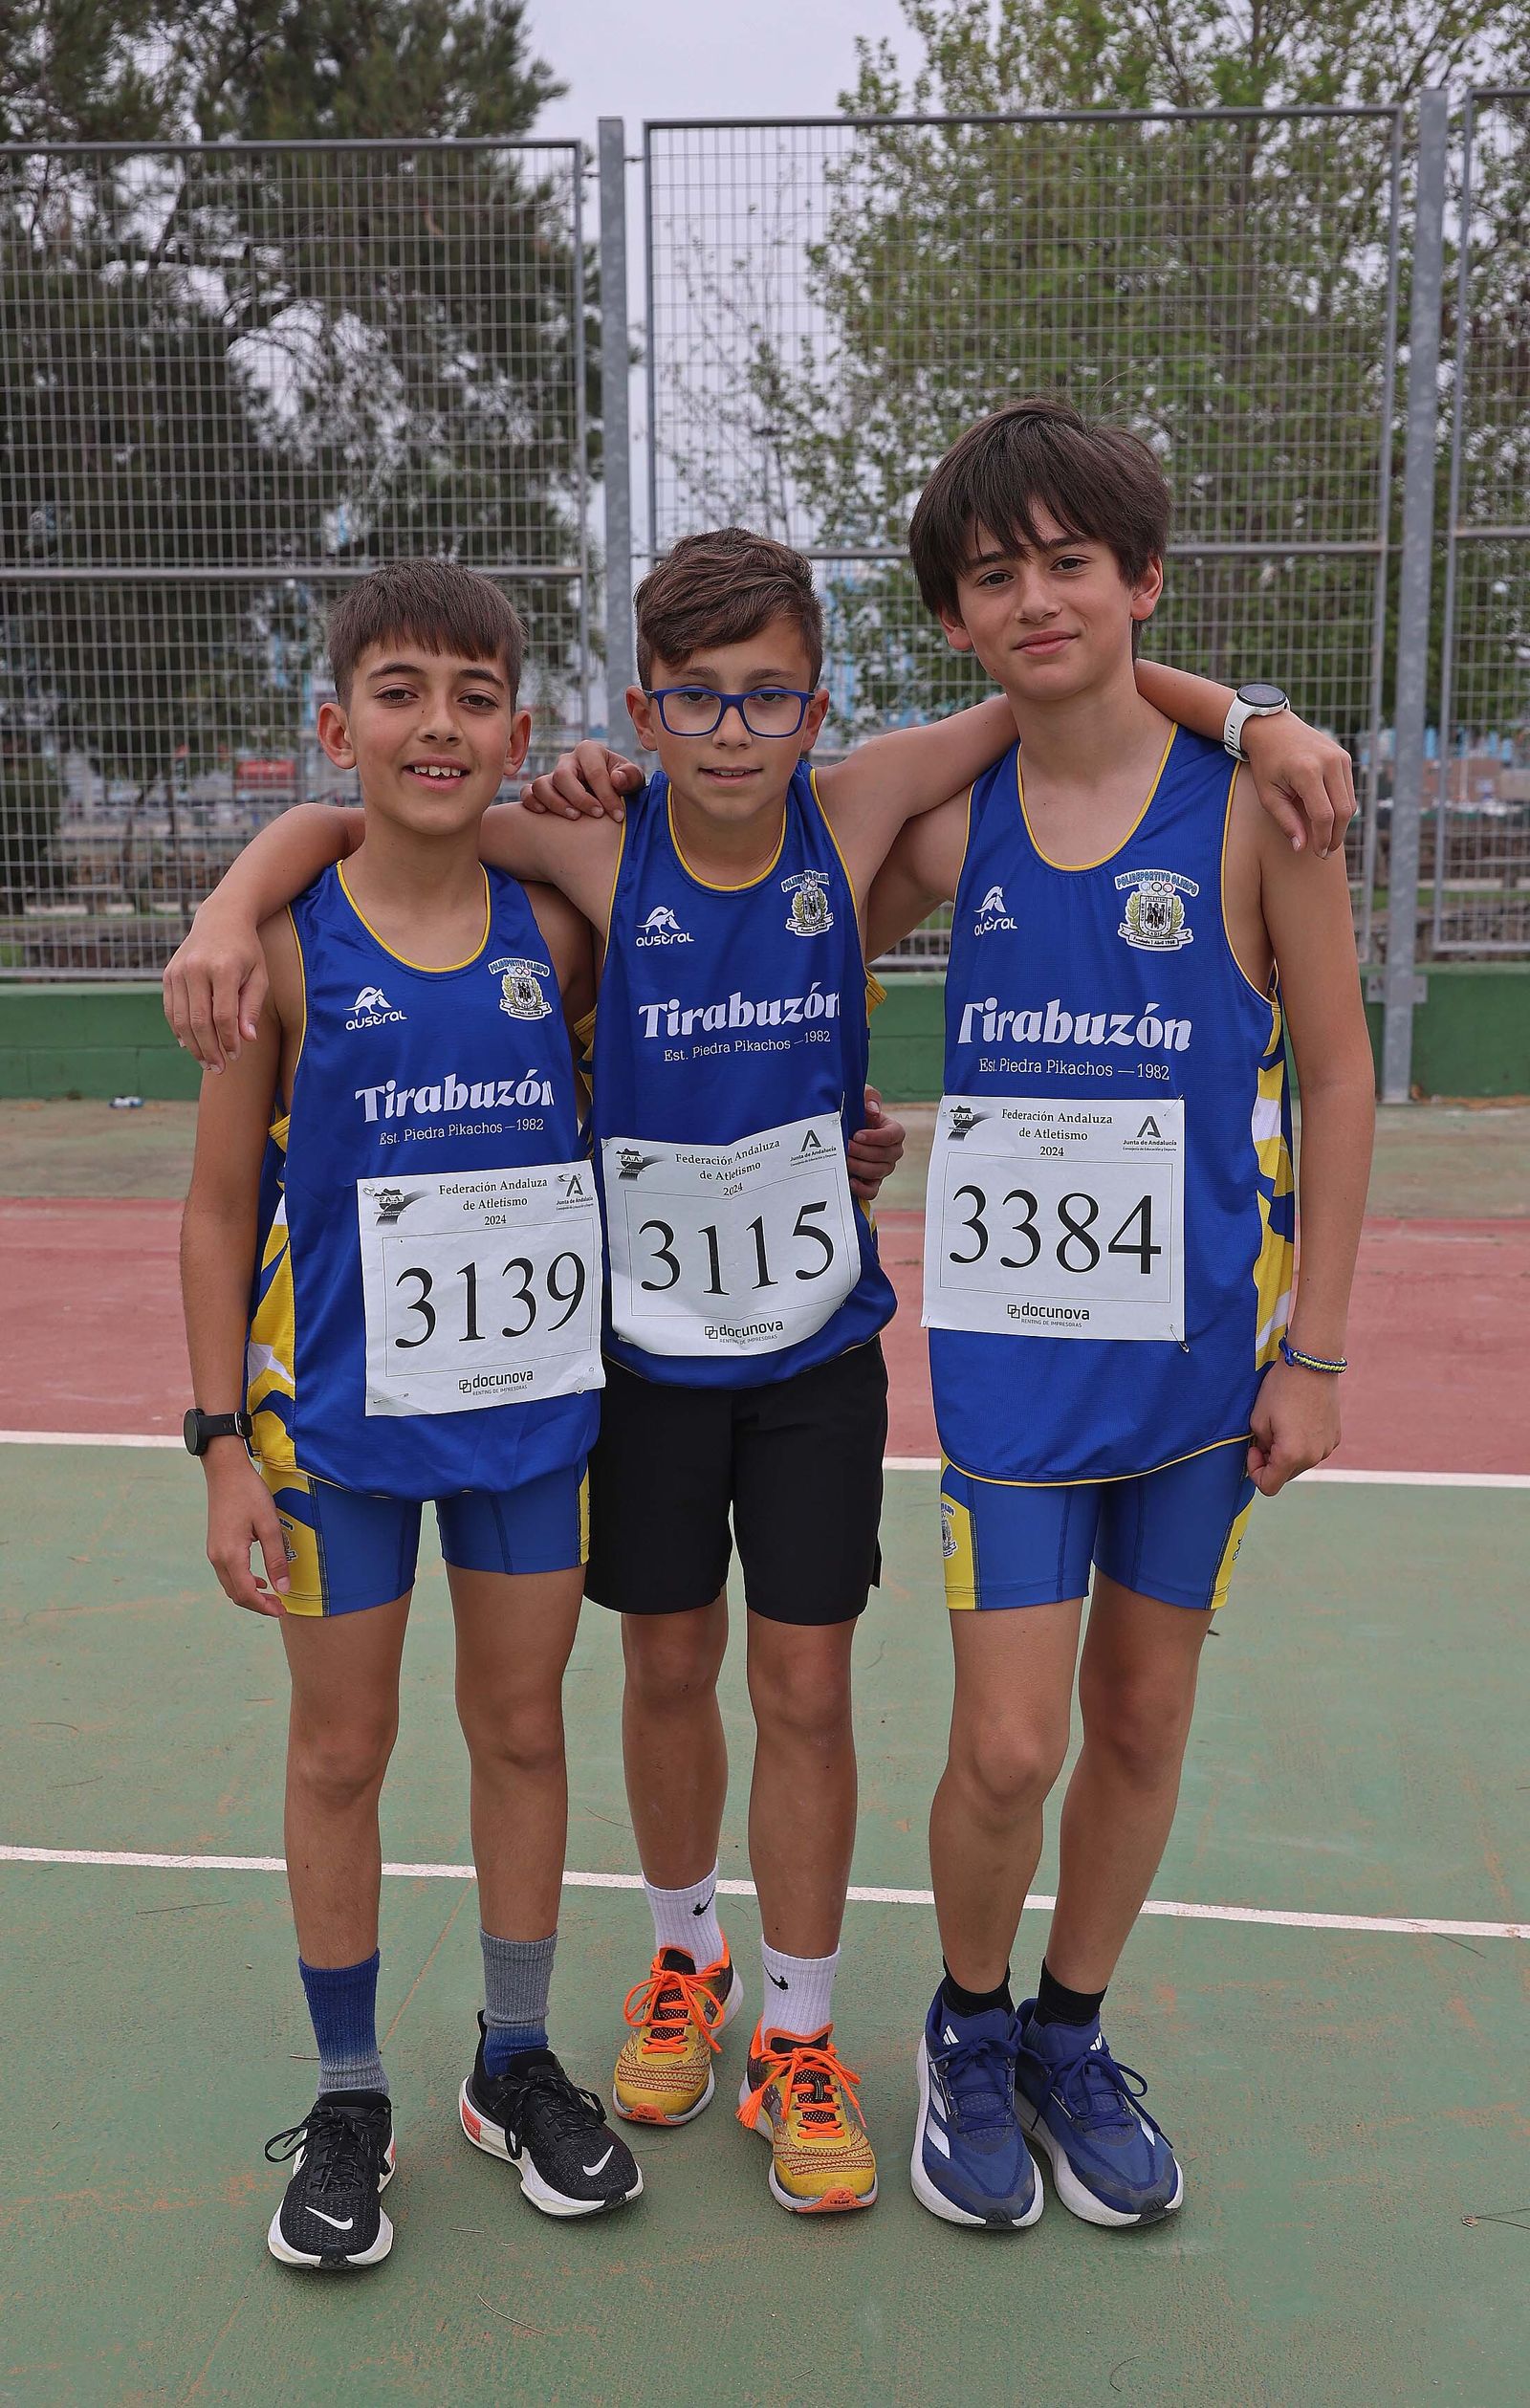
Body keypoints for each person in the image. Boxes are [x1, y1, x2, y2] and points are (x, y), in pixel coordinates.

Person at [165, 524, 1355, 2219]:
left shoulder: (855, 810)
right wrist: (228, 894)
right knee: (664, 1672)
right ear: (645, 710)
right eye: (697, 701)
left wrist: (1252, 721)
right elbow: (362, 825)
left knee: (803, 1687)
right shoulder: (596, 851)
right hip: (635, 1361)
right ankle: (680, 1960)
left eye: (768, 697)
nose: (734, 731)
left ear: (817, 705)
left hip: (814, 1353)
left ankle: (801, 2028)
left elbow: (1056, 687)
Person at [858, 398, 1375, 2233]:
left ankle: (1072, 2031)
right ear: (957, 620)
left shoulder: (1255, 810)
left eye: (1073, 562)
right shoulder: (957, 822)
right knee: (1008, 1743)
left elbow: (1338, 1072)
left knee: (1142, 1719)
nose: (1038, 596)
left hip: (1196, 1373)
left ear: (1143, 578)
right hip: (1008, 1376)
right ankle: (968, 2022)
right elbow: (798, 915)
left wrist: (1315, 1352)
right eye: (996, 576)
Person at [179, 559, 643, 2271]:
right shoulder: (280, 951)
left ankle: (512, 2061)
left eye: (469, 693)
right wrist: (217, 1437)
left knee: (524, 1733)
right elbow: (223, 1206)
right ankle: (352, 2091)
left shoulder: (567, 927)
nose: (434, 723)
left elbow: (704, 885)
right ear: (337, 723)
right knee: (340, 1750)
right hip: (338, 1438)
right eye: (398, 689)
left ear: (518, 730)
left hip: (529, 1427)